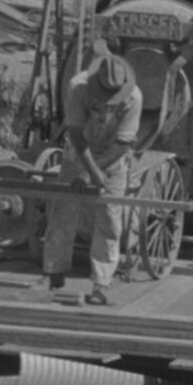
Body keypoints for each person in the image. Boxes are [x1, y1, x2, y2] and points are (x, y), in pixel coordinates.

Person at [46, 51, 146, 304]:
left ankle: (101, 283)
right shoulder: (78, 87)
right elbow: (77, 134)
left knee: (110, 221)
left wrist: (95, 172)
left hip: (112, 162)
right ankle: (55, 272)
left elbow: (123, 145)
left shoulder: (133, 97)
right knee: (62, 213)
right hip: (76, 157)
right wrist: (85, 172)